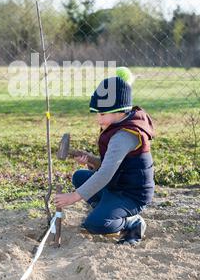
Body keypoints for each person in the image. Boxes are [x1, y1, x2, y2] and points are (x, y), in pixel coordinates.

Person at [53, 67, 155, 245]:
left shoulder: (124, 135)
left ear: (119, 110)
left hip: (130, 194)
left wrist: (73, 197)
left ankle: (133, 222)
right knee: (79, 176)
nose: (98, 119)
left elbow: (106, 173)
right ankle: (106, 209)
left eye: (102, 114)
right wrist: (91, 160)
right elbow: (112, 165)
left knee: (96, 224)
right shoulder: (118, 124)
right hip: (116, 185)